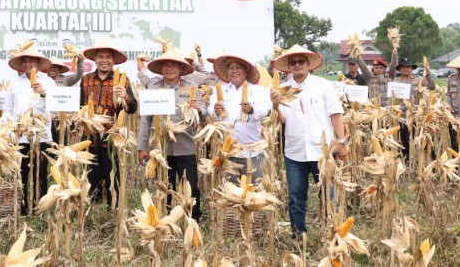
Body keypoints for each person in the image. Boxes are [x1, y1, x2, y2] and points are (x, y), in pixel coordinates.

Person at [270, 45, 346, 238]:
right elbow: (283, 119)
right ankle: (298, 234)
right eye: (293, 62)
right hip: (294, 151)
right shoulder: (283, 88)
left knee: (329, 195)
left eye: (300, 61)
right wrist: (275, 104)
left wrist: (342, 141)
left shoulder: (322, 85)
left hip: (322, 150)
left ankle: (334, 233)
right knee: (296, 196)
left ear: (308, 64)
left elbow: (336, 114)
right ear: (288, 65)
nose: (297, 65)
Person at [137, 49, 205, 220]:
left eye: (174, 65)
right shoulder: (153, 88)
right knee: (165, 185)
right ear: (160, 68)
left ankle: (193, 219)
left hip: (185, 145)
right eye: (165, 65)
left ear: (181, 68)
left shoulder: (190, 88)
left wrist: (199, 110)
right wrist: (141, 147)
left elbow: (202, 112)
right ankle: (166, 219)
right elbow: (145, 120)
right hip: (161, 148)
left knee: (190, 186)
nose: (169, 68)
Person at [80, 39, 138, 208]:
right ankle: (92, 218)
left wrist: (126, 97)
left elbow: (132, 108)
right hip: (89, 140)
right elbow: (79, 107)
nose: (104, 60)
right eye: (100, 57)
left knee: (114, 182)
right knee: (91, 184)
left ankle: (115, 215)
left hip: (112, 141)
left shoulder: (123, 81)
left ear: (113, 60)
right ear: (95, 60)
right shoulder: (86, 80)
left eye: (108, 57)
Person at [2, 45, 56, 215]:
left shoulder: (48, 82)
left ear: (38, 63)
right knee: (21, 174)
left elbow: (55, 110)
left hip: (42, 136)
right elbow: (8, 110)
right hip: (20, 138)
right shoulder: (14, 84)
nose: (28, 64)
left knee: (40, 175)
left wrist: (44, 93)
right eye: (25, 61)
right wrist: (7, 132)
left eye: (31, 60)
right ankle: (23, 209)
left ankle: (41, 209)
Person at [209, 52, 271, 184]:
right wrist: (215, 110)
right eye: (231, 67)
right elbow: (210, 111)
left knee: (255, 194)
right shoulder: (219, 89)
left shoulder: (258, 90)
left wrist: (251, 110)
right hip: (228, 153)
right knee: (231, 195)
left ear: (246, 70)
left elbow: (264, 112)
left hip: (252, 153)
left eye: (238, 67)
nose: (234, 71)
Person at [392, 57, 436, 163]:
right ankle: (408, 163)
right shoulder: (396, 83)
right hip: (403, 116)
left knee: (425, 140)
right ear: (399, 69)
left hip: (419, 115)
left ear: (412, 68)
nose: (405, 69)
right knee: (405, 142)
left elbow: (432, 87)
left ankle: (432, 162)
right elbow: (392, 100)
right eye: (403, 67)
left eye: (408, 67)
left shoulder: (419, 80)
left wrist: (428, 73)